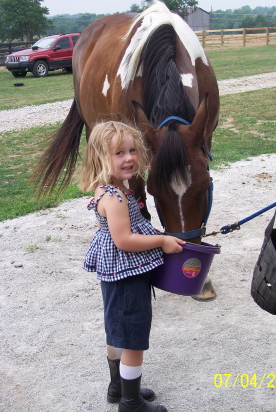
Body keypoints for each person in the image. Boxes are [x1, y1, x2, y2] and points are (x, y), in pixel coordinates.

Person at [77, 121, 185, 412]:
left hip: (118, 274)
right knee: (133, 340)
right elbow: (124, 240)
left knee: (118, 332)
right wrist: (162, 240)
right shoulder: (114, 198)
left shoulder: (110, 189)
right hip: (126, 278)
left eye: (132, 150)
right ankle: (131, 403)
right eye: (118, 153)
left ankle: (118, 386)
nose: (128, 158)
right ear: (101, 158)